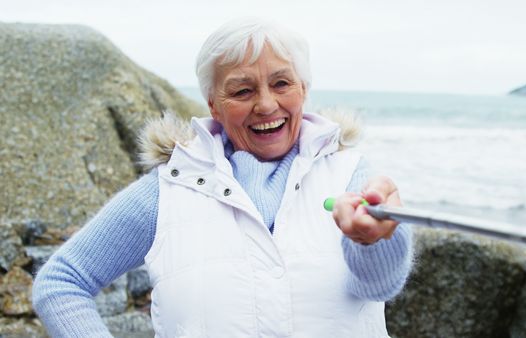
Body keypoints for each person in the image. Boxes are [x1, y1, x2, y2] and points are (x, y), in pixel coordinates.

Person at [32, 17, 413, 337]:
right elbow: (62, 283)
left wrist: (374, 240)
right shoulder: (167, 189)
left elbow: (379, 286)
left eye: (281, 83)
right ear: (213, 104)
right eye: (242, 90)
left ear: (304, 90)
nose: (266, 104)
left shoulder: (350, 174)